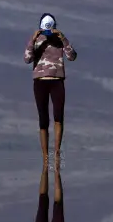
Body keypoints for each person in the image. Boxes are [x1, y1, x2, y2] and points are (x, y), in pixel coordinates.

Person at [23, 13, 76, 166]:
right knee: (43, 118)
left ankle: (57, 153)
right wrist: (33, 39)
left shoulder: (60, 40)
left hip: (57, 81)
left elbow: (71, 56)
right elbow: (27, 59)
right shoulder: (37, 40)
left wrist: (63, 38)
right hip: (40, 82)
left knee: (58, 116)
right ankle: (45, 156)